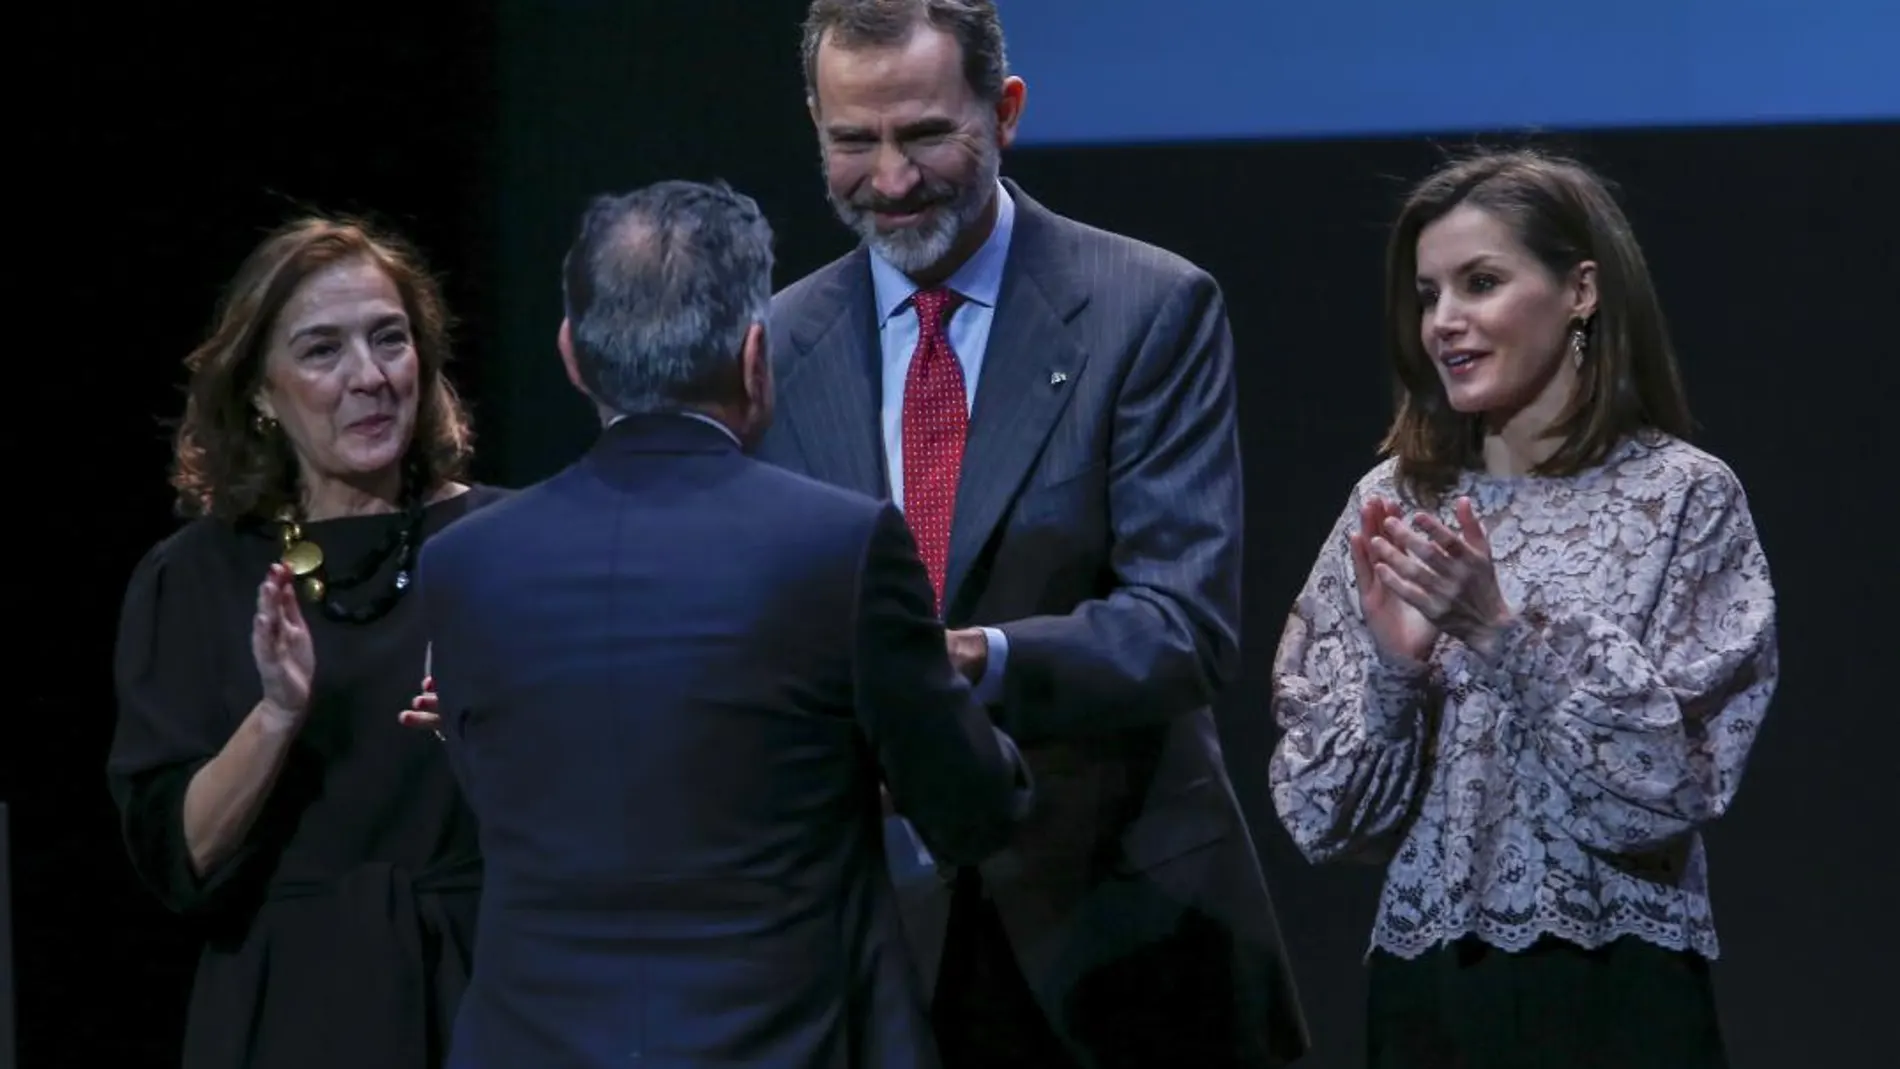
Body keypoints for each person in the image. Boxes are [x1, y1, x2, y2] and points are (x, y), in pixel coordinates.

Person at [757, 2, 1310, 1066]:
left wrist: (975, 658)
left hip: (1114, 929)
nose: (889, 178)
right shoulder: (775, 347)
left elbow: (1181, 624)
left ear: (1004, 113)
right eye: (850, 141)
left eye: (925, 135)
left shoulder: (1146, 309)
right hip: (868, 942)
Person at [415, 179, 1033, 1069]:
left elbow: (506, 792)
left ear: (572, 357)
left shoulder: (464, 563)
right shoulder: (840, 546)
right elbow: (971, 805)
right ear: (756, 356)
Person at [1268, 149, 1779, 1069]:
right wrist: (1392, 673)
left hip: (1616, 987)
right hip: (1429, 996)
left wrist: (1501, 636)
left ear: (1581, 289)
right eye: (1428, 294)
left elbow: (1668, 789)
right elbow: (1321, 817)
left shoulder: (1683, 500)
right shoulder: (1392, 503)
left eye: (1481, 282)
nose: (1445, 323)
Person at [105, 216, 510, 1069]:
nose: (369, 377)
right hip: (285, 1009)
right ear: (261, 390)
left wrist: (496, 736)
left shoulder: (509, 543)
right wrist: (278, 714)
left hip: (490, 994)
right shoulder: (196, 576)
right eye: (323, 351)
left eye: (389, 340)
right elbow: (182, 858)